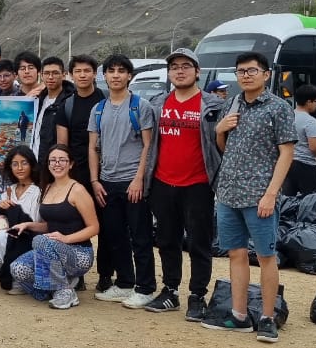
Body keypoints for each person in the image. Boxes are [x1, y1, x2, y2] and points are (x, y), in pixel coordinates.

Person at [204, 52, 294, 343]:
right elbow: (224, 147)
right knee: (236, 254)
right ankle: (239, 314)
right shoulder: (232, 104)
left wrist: (270, 194)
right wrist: (219, 130)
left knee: (266, 256)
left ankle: (267, 318)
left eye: (252, 70)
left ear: (266, 75)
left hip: (259, 196)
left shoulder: (278, 108)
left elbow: (286, 153)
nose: (246, 75)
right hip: (228, 192)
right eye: (241, 71)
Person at [141, 48, 222, 321]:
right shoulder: (157, 103)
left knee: (199, 243)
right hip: (163, 183)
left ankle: (197, 295)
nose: (180, 70)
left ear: (197, 71)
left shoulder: (213, 105)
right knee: (167, 241)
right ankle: (170, 291)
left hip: (198, 184)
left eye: (186, 66)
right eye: (174, 66)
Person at [87, 55, 158, 308]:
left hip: (132, 181)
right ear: (104, 76)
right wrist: (95, 180)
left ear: (130, 76)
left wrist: (139, 179)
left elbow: (148, 146)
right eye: (111, 71)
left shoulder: (141, 107)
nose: (116, 75)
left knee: (140, 236)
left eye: (121, 71)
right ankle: (125, 282)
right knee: (115, 236)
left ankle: (146, 287)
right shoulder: (98, 109)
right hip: (107, 182)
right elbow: (93, 147)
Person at [8, 144, 100, 309]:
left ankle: (65, 292)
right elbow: (49, 226)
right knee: (17, 269)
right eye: (53, 160)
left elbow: (94, 228)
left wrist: (66, 239)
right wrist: (27, 224)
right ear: (48, 164)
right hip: (49, 249)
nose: (57, 164)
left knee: (40, 241)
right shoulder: (47, 187)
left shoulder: (78, 190)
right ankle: (54, 288)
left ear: (70, 164)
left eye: (62, 160)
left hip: (79, 253)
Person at [54, 55, 107, 289]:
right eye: (78, 71)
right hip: (76, 174)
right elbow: (61, 143)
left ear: (95, 73)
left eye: (87, 70)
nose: (83, 75)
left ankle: (106, 274)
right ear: (71, 74)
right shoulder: (67, 105)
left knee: (105, 225)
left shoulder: (105, 101)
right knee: (74, 224)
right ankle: (76, 272)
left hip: (104, 173)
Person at [0, 146, 43, 288]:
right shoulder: (9, 191)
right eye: (15, 164)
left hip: (30, 239)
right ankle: (16, 276)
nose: (20, 168)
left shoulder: (39, 191)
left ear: (32, 165)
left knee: (4, 235)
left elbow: (40, 222)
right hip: (10, 242)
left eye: (24, 163)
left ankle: (17, 280)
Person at [281, 84, 316, 197]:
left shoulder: (286, 117)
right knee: (312, 201)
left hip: (286, 163)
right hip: (306, 165)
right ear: (309, 102)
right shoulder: (310, 121)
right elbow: (314, 147)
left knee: (288, 201)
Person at [33, 56, 72, 159]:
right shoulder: (37, 100)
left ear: (64, 75)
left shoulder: (69, 102)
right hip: (34, 164)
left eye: (55, 73)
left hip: (54, 164)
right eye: (46, 73)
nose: (50, 77)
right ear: (41, 75)